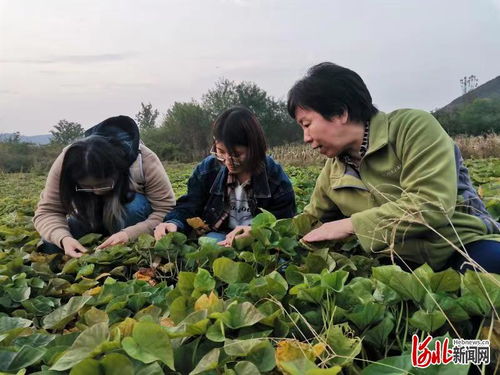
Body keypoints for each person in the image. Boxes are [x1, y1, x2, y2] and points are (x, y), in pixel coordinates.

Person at [288, 62, 500, 273]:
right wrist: (260, 232)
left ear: (340, 113)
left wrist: (350, 225)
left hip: (461, 245)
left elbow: (431, 203)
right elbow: (310, 221)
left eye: (307, 125)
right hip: (399, 261)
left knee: (488, 271)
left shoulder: (411, 127)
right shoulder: (333, 170)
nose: (305, 138)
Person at [34, 115, 175, 258]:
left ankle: (129, 252)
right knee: (51, 242)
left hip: (129, 217)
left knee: (134, 206)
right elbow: (48, 211)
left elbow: (165, 209)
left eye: (102, 185)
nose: (96, 192)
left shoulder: (143, 160)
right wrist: (64, 239)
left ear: (118, 172)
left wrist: (130, 234)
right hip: (87, 215)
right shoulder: (67, 163)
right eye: (86, 187)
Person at [154, 106, 296, 246]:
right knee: (210, 242)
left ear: (254, 147)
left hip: (259, 242)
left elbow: (284, 224)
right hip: (219, 236)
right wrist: (173, 223)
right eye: (221, 151)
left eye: (236, 155)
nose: (228, 161)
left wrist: (256, 232)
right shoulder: (207, 170)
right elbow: (190, 204)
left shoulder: (275, 177)